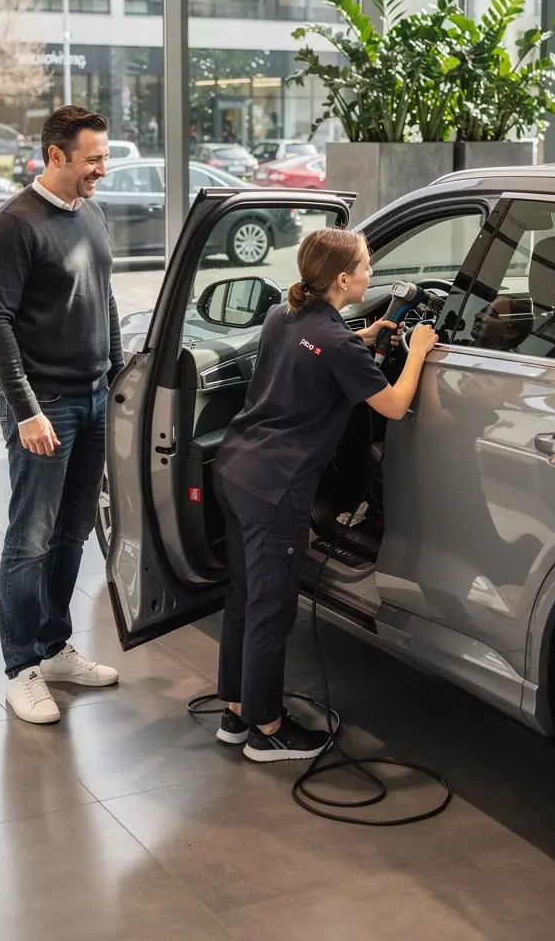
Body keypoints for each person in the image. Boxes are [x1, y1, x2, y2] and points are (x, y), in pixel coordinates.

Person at [212, 227, 438, 762]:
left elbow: (312, 348)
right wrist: (419, 351)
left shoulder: (284, 315)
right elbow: (394, 406)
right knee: (272, 610)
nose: (370, 273)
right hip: (277, 490)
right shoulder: (334, 343)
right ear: (343, 278)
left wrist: (365, 336)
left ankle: (237, 712)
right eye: (365, 265)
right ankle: (268, 730)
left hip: (235, 470)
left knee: (244, 599)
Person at [0, 105, 123, 725]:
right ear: (55, 157)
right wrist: (27, 410)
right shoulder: (12, 225)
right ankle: (20, 668)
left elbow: (105, 296)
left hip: (91, 400)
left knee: (71, 533)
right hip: (46, 409)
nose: (102, 170)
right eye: (92, 159)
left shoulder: (89, 214)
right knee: (30, 539)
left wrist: (116, 380)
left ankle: (53, 645)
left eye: (104, 157)